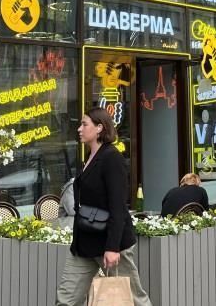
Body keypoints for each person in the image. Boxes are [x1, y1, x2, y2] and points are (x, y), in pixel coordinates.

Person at [56, 108, 153, 306]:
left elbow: (118, 206)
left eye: (84, 124)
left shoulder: (111, 158)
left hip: (110, 242)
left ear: (99, 128)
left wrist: (112, 247)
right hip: (84, 243)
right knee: (65, 300)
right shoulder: (89, 158)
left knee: (134, 299)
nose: (79, 129)